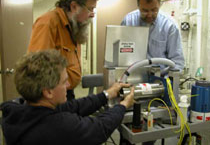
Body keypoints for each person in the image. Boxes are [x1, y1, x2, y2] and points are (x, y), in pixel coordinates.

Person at [0, 50, 135, 145]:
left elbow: (74, 106)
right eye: (64, 82)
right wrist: (123, 105)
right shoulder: (58, 127)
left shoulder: (19, 109)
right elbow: (99, 128)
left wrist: (107, 94)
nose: (69, 85)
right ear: (48, 92)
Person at [28, 0, 100, 100]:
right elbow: (38, 68)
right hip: (50, 96)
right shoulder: (48, 23)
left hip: (65, 92)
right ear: (74, 6)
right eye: (90, 9)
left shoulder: (74, 27)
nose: (92, 14)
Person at [121, 0, 184, 71]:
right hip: (132, 78)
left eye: (154, 10)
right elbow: (121, 56)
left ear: (160, 5)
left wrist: (168, 81)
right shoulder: (128, 22)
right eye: (145, 10)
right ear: (138, 5)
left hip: (160, 80)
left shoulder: (170, 26)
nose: (149, 15)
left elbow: (177, 62)